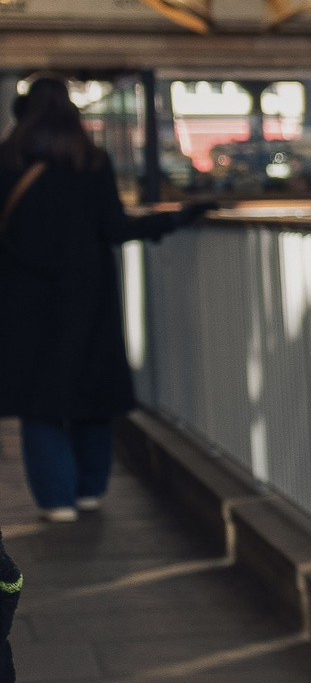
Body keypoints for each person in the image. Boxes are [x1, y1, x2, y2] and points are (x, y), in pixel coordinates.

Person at [0, 79, 196, 522]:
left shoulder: (6, 160)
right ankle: (90, 489)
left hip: (23, 299)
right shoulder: (92, 161)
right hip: (86, 295)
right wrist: (177, 219)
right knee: (91, 390)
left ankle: (55, 500)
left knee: (38, 399)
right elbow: (115, 228)